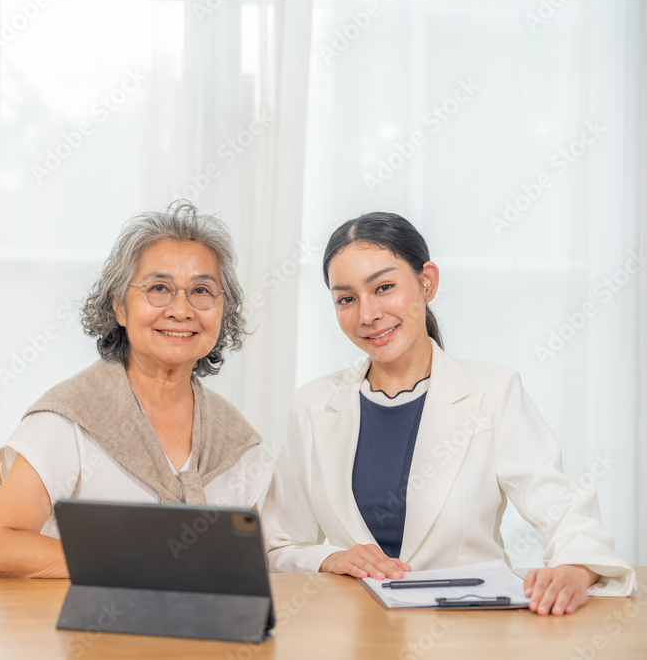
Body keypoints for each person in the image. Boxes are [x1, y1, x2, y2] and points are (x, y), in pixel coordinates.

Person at [263, 212, 634, 616]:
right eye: (346, 299)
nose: (367, 315)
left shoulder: (493, 391)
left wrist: (575, 570)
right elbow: (278, 545)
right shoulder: (312, 404)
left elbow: (562, 507)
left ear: (427, 282)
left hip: (467, 628)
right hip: (356, 631)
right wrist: (328, 558)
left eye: (384, 287)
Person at [0, 201, 270, 578]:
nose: (181, 310)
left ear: (222, 310)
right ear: (119, 307)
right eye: (159, 288)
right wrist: (139, 563)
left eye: (201, 290)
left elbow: (253, 566)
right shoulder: (70, 417)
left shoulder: (235, 438)